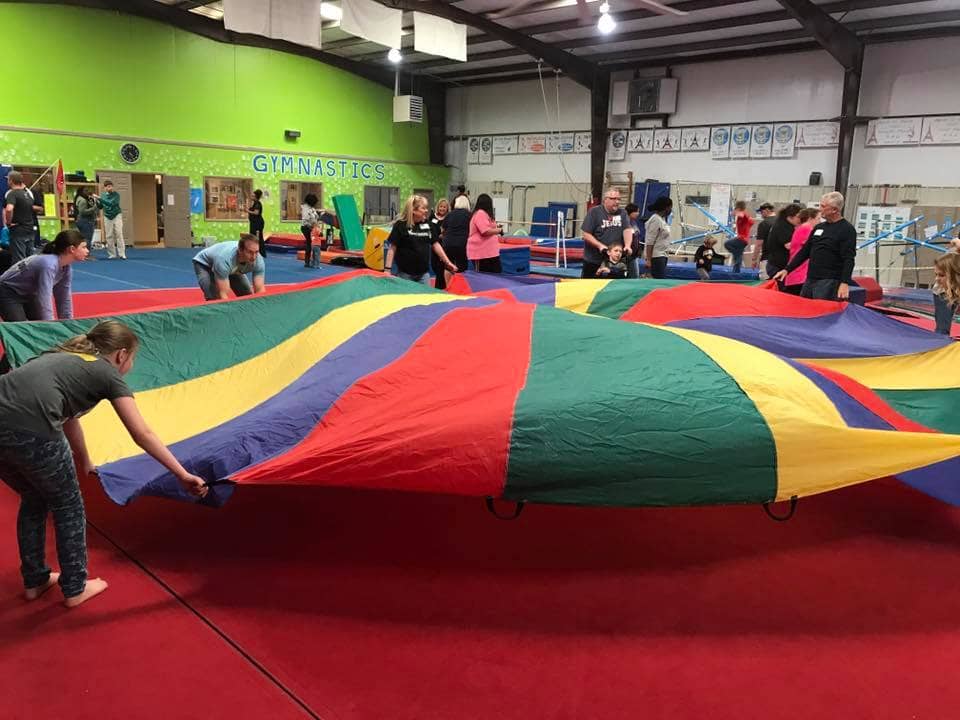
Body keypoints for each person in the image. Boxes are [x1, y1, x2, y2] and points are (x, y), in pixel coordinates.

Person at [0, 320, 207, 608]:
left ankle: (35, 580)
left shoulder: (58, 357)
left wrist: (84, 458)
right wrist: (182, 474)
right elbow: (141, 433)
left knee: (34, 498)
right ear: (122, 354)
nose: (130, 365)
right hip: (32, 428)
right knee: (67, 504)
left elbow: (67, 416)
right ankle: (75, 587)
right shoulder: (106, 372)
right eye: (132, 359)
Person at [773, 192, 857, 300]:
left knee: (822, 311)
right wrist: (787, 269)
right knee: (804, 308)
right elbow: (805, 251)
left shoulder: (847, 230)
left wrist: (844, 283)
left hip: (829, 280)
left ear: (834, 210)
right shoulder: (819, 227)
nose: (820, 209)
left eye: (823, 206)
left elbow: (849, 258)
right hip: (811, 278)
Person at [0, 230, 88, 322]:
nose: (87, 251)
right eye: (84, 247)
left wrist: (68, 324)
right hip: (7, 291)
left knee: (39, 323)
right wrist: (49, 325)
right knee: (21, 327)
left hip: (29, 294)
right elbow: (45, 297)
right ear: (72, 249)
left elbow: (63, 297)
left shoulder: (66, 268)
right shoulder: (48, 265)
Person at [384, 195, 458, 284]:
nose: (426, 210)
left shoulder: (428, 225)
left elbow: (436, 244)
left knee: (426, 297)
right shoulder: (401, 225)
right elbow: (392, 248)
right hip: (405, 274)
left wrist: (448, 262)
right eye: (423, 208)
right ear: (414, 210)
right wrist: (387, 270)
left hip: (423, 274)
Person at [192, 234, 266, 301]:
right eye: (250, 252)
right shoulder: (224, 259)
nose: (254, 257)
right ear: (240, 250)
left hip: (231, 267)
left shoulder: (258, 260)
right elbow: (223, 294)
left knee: (247, 296)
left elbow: (260, 290)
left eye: (256, 252)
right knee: (215, 299)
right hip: (205, 264)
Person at [582, 188, 633, 279]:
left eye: (618, 199)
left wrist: (628, 245)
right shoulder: (594, 212)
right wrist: (599, 245)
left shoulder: (623, 213)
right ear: (605, 200)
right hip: (594, 260)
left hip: (614, 261)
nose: (617, 202)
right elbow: (586, 234)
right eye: (613, 199)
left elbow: (627, 230)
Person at [783, 208, 820, 295]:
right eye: (818, 218)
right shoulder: (807, 229)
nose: (819, 221)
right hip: (800, 273)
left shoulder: (800, 228)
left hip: (797, 272)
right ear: (810, 218)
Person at [3, 171, 37, 264]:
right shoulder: (28, 194)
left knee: (19, 259)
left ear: (11, 181)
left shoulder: (12, 194)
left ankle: (20, 278)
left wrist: (8, 223)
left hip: (18, 229)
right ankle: (32, 276)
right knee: (30, 257)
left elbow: (9, 209)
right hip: (29, 228)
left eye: (8, 179)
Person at [763, 203, 803, 281]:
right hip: (777, 266)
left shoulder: (785, 224)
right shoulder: (783, 227)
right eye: (798, 217)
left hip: (777, 263)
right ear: (790, 216)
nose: (800, 220)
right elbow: (789, 246)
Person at [467, 194, 504, 274]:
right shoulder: (480, 213)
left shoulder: (485, 215)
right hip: (482, 253)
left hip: (490, 252)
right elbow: (484, 231)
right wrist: (499, 230)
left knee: (496, 273)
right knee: (485, 275)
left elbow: (487, 227)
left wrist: (496, 227)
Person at [932, 237, 960, 335]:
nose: (936, 279)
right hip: (945, 292)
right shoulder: (940, 290)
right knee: (942, 329)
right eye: (936, 275)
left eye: (941, 275)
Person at [441, 195, 471, 282]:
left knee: (448, 265)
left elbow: (443, 229)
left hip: (448, 242)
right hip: (461, 243)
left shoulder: (450, 214)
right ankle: (459, 286)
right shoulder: (469, 215)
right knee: (461, 266)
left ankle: (448, 286)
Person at [644, 196, 672, 279]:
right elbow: (650, 241)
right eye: (670, 207)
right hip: (656, 256)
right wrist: (649, 260)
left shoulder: (662, 219)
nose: (671, 210)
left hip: (663, 255)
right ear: (666, 208)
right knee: (659, 280)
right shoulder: (655, 219)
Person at [97, 179, 125, 260]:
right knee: (109, 235)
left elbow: (111, 204)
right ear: (105, 188)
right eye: (108, 187)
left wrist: (99, 199)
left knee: (119, 233)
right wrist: (97, 201)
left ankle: (122, 253)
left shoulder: (116, 195)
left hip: (117, 215)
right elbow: (100, 207)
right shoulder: (102, 195)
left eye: (111, 186)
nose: (110, 188)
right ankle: (112, 254)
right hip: (107, 216)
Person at [724, 200, 753, 273]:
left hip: (742, 239)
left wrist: (735, 212)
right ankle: (736, 271)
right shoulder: (744, 218)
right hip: (743, 239)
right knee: (738, 255)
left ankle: (736, 254)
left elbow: (741, 215)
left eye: (736, 209)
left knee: (727, 244)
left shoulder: (744, 216)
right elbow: (751, 222)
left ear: (739, 209)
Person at [429, 198, 450, 290]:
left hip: (444, 245)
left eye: (444, 207)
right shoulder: (432, 216)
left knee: (440, 267)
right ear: (438, 207)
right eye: (441, 206)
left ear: (447, 208)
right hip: (433, 244)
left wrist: (444, 235)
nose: (442, 208)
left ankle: (440, 287)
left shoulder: (449, 217)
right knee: (434, 265)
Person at [300, 193, 320, 268]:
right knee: (311, 244)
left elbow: (315, 216)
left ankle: (311, 262)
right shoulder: (305, 208)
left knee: (312, 244)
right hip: (306, 227)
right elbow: (306, 219)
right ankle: (308, 262)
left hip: (311, 227)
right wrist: (313, 226)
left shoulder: (311, 208)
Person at [753, 203, 776, 269]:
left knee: (765, 279)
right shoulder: (782, 221)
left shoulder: (764, 224)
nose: (761, 214)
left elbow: (759, 244)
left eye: (761, 212)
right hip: (782, 260)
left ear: (767, 210)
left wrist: (754, 259)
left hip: (768, 259)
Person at [624, 202, 643, 278]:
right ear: (631, 212)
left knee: (634, 275)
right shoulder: (625, 223)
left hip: (634, 255)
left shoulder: (634, 222)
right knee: (634, 276)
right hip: (628, 255)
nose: (638, 213)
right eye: (636, 211)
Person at [248, 189, 266, 258]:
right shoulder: (255, 203)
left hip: (257, 223)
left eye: (253, 196)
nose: (252, 197)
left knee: (257, 238)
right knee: (253, 237)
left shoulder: (258, 204)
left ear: (256, 197)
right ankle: (256, 252)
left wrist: (248, 211)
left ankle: (260, 253)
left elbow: (256, 213)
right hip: (254, 223)